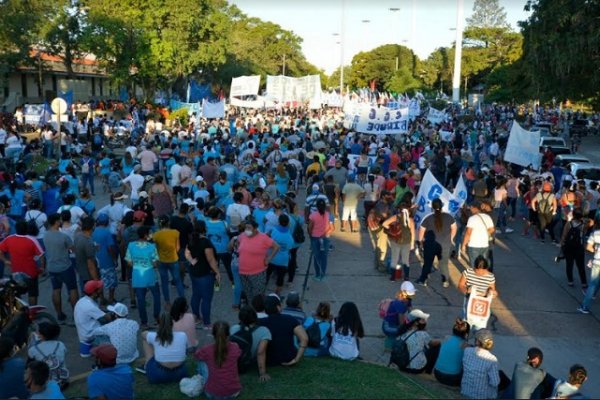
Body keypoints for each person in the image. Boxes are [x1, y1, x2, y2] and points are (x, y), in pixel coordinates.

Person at [185, 220, 221, 330]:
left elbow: (186, 253)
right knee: (206, 298)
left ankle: (196, 317)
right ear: (204, 228)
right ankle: (207, 323)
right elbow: (210, 259)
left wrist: (192, 261)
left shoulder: (191, 239)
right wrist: (217, 272)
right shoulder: (205, 242)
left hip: (194, 271)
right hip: (205, 273)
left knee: (196, 295)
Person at [0, 219, 45, 305]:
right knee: (32, 294)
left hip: (16, 273)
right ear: (27, 229)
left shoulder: (9, 239)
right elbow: (41, 255)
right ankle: (33, 314)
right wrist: (42, 267)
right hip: (31, 272)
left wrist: (5, 261)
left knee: (17, 294)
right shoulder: (32, 240)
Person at [43, 213, 78, 323]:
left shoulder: (45, 235)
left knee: (56, 290)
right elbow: (72, 249)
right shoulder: (63, 236)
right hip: (65, 266)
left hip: (52, 267)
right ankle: (75, 314)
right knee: (72, 289)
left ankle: (59, 314)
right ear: (57, 222)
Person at [195, 321, 242, 399]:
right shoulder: (235, 347)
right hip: (233, 392)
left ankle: (202, 379)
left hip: (213, 394)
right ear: (228, 335)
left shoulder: (207, 350)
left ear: (213, 335)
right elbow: (239, 353)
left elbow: (197, 355)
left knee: (201, 361)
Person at [125, 226, 160, 330]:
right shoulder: (152, 247)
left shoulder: (131, 245)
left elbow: (129, 261)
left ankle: (144, 322)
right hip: (150, 276)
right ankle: (156, 318)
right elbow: (155, 264)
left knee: (140, 299)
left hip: (137, 276)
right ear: (145, 235)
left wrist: (137, 265)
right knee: (156, 297)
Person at [237, 219, 280, 304]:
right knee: (248, 293)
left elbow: (276, 246)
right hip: (243, 272)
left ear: (255, 228)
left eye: (249, 228)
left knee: (258, 295)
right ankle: (251, 309)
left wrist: (269, 259)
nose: (247, 230)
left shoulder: (263, 238)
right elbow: (239, 244)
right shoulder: (242, 236)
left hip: (257, 272)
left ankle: (258, 311)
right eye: (246, 228)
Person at [259, 294, 308, 367]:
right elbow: (304, 339)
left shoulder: (260, 322)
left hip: (268, 359)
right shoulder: (290, 319)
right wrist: (296, 359)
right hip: (288, 357)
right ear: (278, 307)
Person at [418, 198, 457, 287]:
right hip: (444, 245)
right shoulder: (449, 217)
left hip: (430, 244)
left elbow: (421, 230)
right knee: (443, 264)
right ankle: (445, 281)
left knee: (427, 263)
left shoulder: (428, 217)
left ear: (432, 207)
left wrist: (420, 242)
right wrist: (451, 238)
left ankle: (423, 280)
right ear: (442, 206)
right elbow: (454, 228)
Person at [140, 313, 188, 384]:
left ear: (159, 325)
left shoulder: (155, 336)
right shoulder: (183, 335)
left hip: (159, 375)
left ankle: (147, 364)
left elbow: (143, 334)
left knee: (145, 339)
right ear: (172, 324)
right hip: (181, 373)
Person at [74, 280, 114, 357]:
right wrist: (114, 314)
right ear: (94, 292)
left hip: (83, 332)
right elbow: (108, 318)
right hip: (90, 334)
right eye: (99, 289)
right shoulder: (90, 306)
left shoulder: (82, 300)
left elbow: (98, 311)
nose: (101, 290)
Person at [153, 215, 184, 307]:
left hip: (161, 260)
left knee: (164, 282)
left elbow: (155, 248)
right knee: (178, 280)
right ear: (169, 223)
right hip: (173, 259)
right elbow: (178, 248)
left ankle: (167, 302)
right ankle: (182, 301)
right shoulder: (175, 233)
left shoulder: (156, 235)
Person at [397, 309, 441, 374]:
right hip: (415, 369)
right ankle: (428, 371)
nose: (426, 322)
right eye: (423, 320)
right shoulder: (422, 334)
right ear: (416, 322)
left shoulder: (402, 331)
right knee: (436, 346)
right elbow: (433, 343)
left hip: (402, 366)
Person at [27, 322, 69, 390]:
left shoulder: (33, 349)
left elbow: (29, 364)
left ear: (41, 336)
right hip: (63, 382)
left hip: (47, 385)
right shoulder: (60, 344)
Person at [461, 329, 501, 399]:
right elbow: (495, 383)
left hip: (465, 391)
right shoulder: (492, 359)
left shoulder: (467, 351)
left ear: (477, 341)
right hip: (482, 396)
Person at [458, 255, 497, 323]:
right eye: (477, 271)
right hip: (469, 300)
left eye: (483, 272)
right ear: (474, 267)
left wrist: (494, 293)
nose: (480, 273)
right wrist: (466, 290)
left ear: (486, 268)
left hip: (483, 303)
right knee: (467, 320)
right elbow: (460, 285)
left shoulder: (490, 277)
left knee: (480, 323)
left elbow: (493, 290)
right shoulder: (467, 272)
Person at [382, 201, 414, 281]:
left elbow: (384, 224)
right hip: (406, 242)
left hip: (395, 241)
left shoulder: (395, 217)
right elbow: (412, 233)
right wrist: (412, 244)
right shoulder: (410, 220)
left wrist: (391, 230)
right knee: (405, 260)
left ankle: (393, 277)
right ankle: (406, 277)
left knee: (394, 259)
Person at [433, 318, 470, 387]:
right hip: (452, 379)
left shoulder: (446, 338)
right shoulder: (465, 345)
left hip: (437, 374)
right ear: (466, 334)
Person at [92, 213, 118, 303]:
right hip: (107, 260)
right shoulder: (107, 232)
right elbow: (110, 248)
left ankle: (102, 298)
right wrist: (114, 259)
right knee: (111, 281)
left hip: (97, 260)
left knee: (100, 280)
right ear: (107, 222)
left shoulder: (94, 231)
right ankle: (111, 298)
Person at [559, 208, 588, 290]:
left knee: (569, 264)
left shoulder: (569, 224)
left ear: (573, 215)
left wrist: (561, 244)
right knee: (581, 266)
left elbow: (564, 234)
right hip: (579, 247)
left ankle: (570, 281)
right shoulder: (584, 225)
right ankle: (584, 283)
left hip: (569, 247)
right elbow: (591, 223)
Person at [461, 200, 495, 269]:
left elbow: (468, 233)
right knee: (483, 264)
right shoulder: (487, 217)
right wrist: (484, 234)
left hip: (474, 245)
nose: (470, 209)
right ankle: (482, 277)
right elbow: (492, 229)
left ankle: (475, 277)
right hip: (485, 245)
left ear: (475, 208)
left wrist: (463, 245)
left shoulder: (472, 219)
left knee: (474, 264)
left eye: (471, 207)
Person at [267, 214, 295, 295]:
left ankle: (262, 289)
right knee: (280, 277)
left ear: (278, 222)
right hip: (283, 260)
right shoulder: (289, 235)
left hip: (272, 257)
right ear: (288, 223)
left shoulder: (273, 231)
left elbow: (268, 240)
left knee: (267, 274)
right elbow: (290, 247)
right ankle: (277, 293)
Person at [308, 198, 334, 281]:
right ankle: (323, 274)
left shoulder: (313, 215)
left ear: (317, 206)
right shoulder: (329, 215)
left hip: (315, 238)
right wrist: (326, 234)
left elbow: (309, 227)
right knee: (324, 257)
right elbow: (332, 228)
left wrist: (311, 236)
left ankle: (317, 275)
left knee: (316, 257)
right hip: (325, 238)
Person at [578, 221, 600, 314]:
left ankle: (585, 306)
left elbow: (588, 247)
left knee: (592, 284)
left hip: (597, 261)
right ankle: (594, 294)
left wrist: (595, 251)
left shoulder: (595, 233)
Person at [74, 216, 100, 290]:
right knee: (91, 296)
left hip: (81, 271)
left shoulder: (78, 235)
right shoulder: (88, 242)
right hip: (88, 275)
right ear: (92, 226)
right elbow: (90, 265)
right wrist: (96, 280)